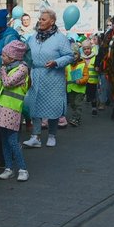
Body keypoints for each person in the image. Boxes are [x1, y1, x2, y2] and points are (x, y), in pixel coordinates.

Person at [22, 8, 74, 146]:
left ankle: (52, 135)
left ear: (52, 22)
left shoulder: (60, 38)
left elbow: (70, 56)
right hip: (36, 75)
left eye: (43, 19)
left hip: (53, 77)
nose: (40, 21)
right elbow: (27, 52)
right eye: (39, 19)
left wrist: (56, 62)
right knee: (34, 105)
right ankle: (36, 136)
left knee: (53, 107)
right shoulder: (34, 37)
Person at [0, 41, 30, 182]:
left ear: (12, 58)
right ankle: (8, 168)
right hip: (0, 109)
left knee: (12, 141)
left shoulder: (22, 69)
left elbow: (7, 83)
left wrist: (0, 70)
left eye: (4, 55)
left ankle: (23, 169)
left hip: (12, 109)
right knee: (4, 141)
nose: (1, 57)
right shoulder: (6, 68)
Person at [64, 43, 89, 127]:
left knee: (78, 104)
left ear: (79, 54)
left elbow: (86, 76)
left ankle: (76, 118)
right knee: (72, 104)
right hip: (70, 89)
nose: (74, 56)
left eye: (75, 54)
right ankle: (76, 116)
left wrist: (81, 81)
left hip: (79, 89)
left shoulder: (83, 64)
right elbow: (66, 76)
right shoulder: (67, 65)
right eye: (71, 54)